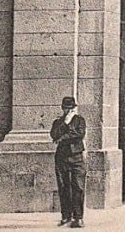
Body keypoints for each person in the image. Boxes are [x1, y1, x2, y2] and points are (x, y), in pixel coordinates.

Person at [50, 96, 86, 228]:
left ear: (74, 109)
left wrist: (62, 138)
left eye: (70, 108)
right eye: (66, 108)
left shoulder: (80, 121)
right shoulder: (58, 122)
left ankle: (78, 217)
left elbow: (79, 135)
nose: (68, 111)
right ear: (62, 108)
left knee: (78, 187)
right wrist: (65, 123)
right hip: (62, 158)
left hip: (76, 157)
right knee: (64, 187)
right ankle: (66, 216)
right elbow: (54, 135)